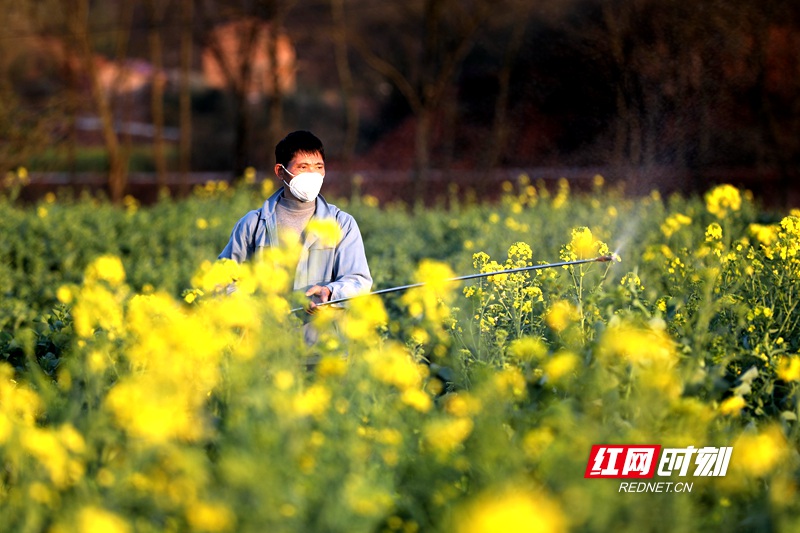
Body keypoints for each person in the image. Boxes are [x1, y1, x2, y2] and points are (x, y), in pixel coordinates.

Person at [219, 130, 372, 342]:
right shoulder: (253, 224)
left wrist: (330, 292)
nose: (313, 175)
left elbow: (359, 281)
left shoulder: (342, 224)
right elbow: (222, 280)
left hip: (324, 351)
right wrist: (253, 307)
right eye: (303, 167)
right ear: (280, 172)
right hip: (265, 352)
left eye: (318, 167)